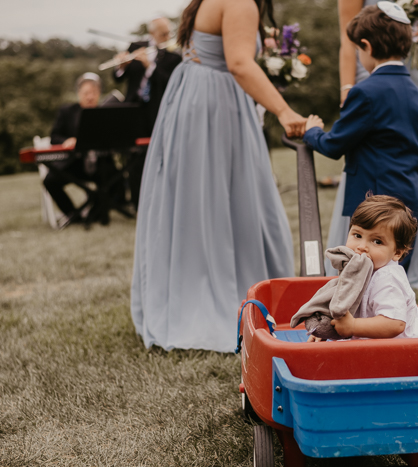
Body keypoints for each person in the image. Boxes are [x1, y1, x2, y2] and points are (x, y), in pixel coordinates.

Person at [130, 0, 306, 352]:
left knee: (202, 201)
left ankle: (196, 291)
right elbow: (239, 64)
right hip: (215, 105)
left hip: (196, 98)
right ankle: (228, 298)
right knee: (227, 199)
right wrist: (284, 110)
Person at [303, 2, 418, 270]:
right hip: (408, 202)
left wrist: (311, 131)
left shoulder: (366, 92)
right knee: (395, 278)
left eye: (358, 49)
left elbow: (334, 144)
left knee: (365, 279)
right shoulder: (415, 92)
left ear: (366, 46)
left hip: (375, 205)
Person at [310, 195, 418, 341]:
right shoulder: (356, 269)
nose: (362, 247)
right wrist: (328, 331)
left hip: (405, 351)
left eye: (377, 241)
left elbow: (394, 324)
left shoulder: (387, 278)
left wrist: (353, 326)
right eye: (357, 235)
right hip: (374, 346)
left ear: (397, 252)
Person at [113, 17, 183, 210]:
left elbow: (168, 82)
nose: (167, 37)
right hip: (134, 113)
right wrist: (121, 66)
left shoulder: (173, 56)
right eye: (163, 33)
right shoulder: (136, 46)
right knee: (134, 160)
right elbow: (119, 78)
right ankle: (138, 204)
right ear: (152, 34)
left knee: (160, 155)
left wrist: (149, 66)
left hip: (157, 113)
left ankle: (163, 203)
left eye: (169, 33)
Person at [44, 72, 115, 227]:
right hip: (74, 163)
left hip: (101, 163)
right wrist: (67, 141)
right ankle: (73, 215)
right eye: (86, 93)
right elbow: (54, 137)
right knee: (50, 181)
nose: (90, 97)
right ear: (79, 94)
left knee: (116, 181)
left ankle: (94, 214)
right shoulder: (67, 112)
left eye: (94, 93)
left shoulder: (106, 113)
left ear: (99, 94)